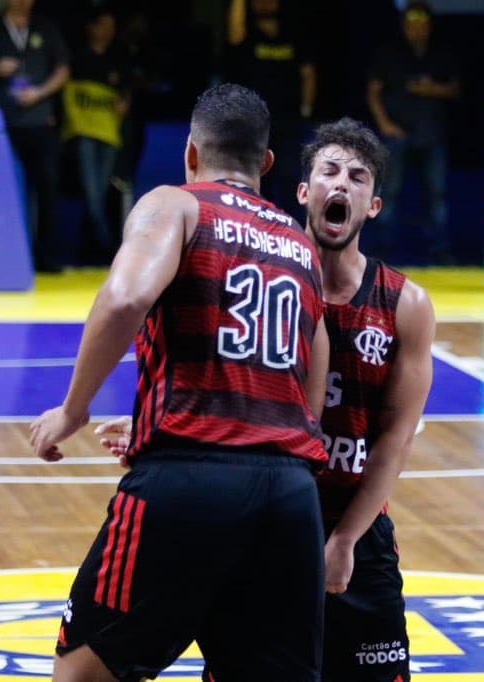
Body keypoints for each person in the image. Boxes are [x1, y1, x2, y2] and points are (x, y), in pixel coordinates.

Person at [98, 117, 435, 681]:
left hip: (352, 519)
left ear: (373, 205)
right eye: (329, 172)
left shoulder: (405, 303)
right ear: (304, 192)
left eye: (357, 177)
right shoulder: (257, 272)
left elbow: (395, 440)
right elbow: (211, 371)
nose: (341, 185)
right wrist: (160, 430)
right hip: (266, 515)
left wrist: (347, 538)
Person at [30, 83, 331, 682]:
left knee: (82, 673)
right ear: (266, 164)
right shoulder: (302, 246)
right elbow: (309, 388)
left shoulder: (175, 204)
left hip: (190, 481)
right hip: (292, 496)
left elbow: (124, 299)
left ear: (191, 153)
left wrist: (73, 409)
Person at [0, 0, 70, 273]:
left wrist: (40, 92)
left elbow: (63, 69)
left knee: (46, 188)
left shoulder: (45, 28)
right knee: (1, 188)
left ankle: (45, 256)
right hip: (3, 122)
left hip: (40, 120)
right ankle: (4, 256)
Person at [367, 1, 458, 263]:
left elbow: (455, 89)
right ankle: (382, 249)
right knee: (389, 193)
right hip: (396, 134)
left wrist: (432, 90)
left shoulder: (441, 52)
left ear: (429, 25)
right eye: (411, 23)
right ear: (404, 25)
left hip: (432, 135)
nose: (417, 28)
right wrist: (384, 124)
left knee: (437, 195)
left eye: (422, 23)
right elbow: (373, 92)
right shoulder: (389, 52)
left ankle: (440, 251)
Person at [226, 0, 316, 221]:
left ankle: (290, 229)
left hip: (289, 121)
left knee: (291, 179)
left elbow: (308, 73)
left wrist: (306, 108)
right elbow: (234, 32)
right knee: (256, 178)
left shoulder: (293, 34)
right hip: (253, 123)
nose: (265, 4)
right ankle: (256, 228)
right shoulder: (248, 36)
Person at [63, 6, 131, 261]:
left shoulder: (118, 58)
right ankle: (108, 246)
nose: (109, 32)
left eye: (112, 27)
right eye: (104, 25)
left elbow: (127, 92)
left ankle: (91, 248)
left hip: (109, 133)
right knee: (92, 193)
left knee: (100, 193)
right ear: (90, 27)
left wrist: (125, 102)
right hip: (83, 132)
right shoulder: (76, 57)